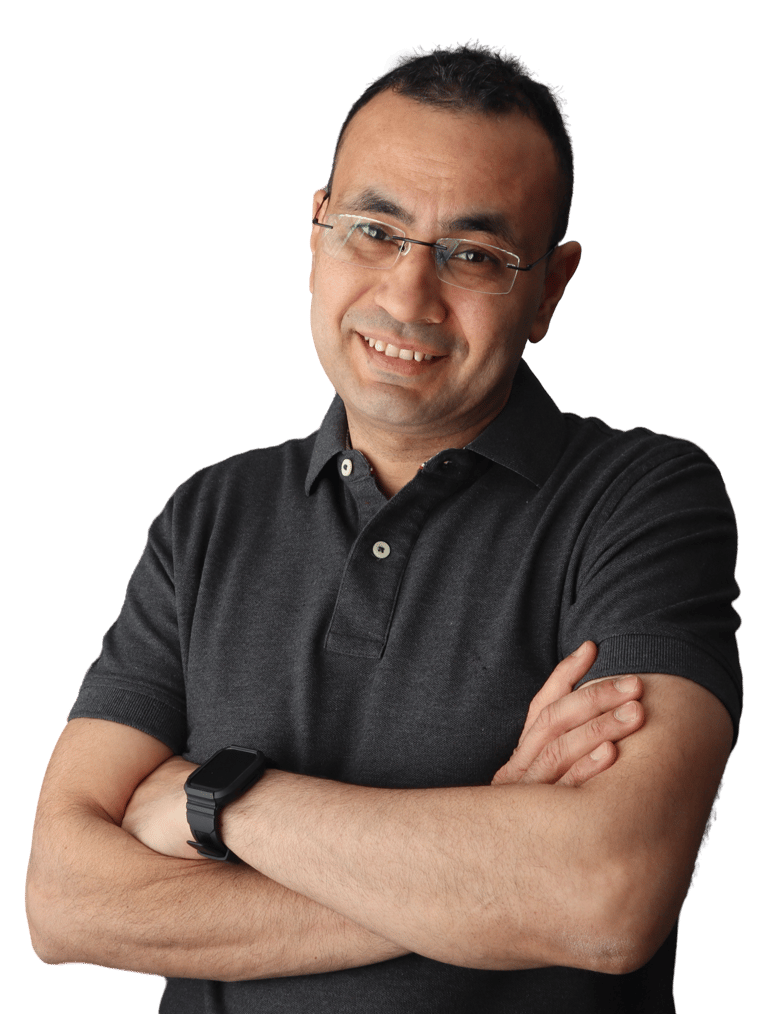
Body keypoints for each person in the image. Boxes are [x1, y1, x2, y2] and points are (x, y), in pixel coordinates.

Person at [24, 43, 741, 1013]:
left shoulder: (640, 498)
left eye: (475, 256)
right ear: (315, 233)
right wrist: (490, 878)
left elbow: (606, 898)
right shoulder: (207, 514)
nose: (407, 297)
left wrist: (215, 802)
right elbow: (64, 903)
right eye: (374, 230)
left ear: (552, 289)